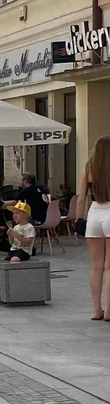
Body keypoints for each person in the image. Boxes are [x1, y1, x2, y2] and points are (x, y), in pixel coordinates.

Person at [77, 136, 110, 320]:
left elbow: (81, 198)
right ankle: (109, 311)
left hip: (94, 213)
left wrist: (78, 221)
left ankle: (97, 310)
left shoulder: (89, 168)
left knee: (96, 267)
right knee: (109, 267)